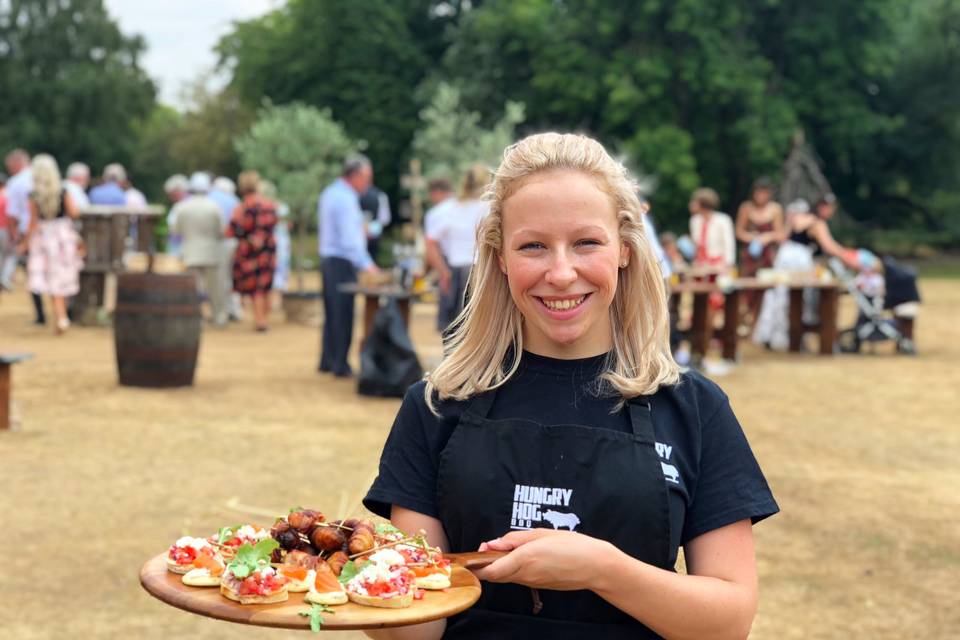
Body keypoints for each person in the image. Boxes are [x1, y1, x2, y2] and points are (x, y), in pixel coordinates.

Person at [363, 133, 779, 639]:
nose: (561, 273)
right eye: (533, 246)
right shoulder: (436, 406)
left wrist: (601, 570)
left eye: (587, 242)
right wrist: (360, 578)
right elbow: (419, 632)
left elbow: (728, 622)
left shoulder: (694, 408)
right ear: (499, 257)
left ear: (625, 249)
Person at [752, 196, 867, 350]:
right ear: (822, 208)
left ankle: (774, 336)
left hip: (784, 258)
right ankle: (794, 338)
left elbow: (782, 237)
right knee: (800, 299)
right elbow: (829, 247)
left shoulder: (797, 218)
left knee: (780, 295)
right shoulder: (817, 223)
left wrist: (764, 238)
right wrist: (850, 258)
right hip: (799, 262)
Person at [317, 154, 378, 376]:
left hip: (329, 259)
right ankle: (340, 364)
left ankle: (327, 359)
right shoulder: (345, 199)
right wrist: (368, 265)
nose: (368, 183)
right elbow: (350, 239)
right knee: (343, 314)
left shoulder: (330, 193)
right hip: (341, 261)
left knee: (332, 312)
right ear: (355, 175)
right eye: (366, 177)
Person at [424, 164, 490, 333]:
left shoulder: (448, 209)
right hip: (483, 271)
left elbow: (430, 242)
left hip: (456, 271)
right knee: (482, 329)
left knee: (453, 330)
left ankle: (452, 360)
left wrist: (443, 271)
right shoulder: (492, 208)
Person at [21, 154, 83, 334]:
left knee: (50, 277)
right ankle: (61, 316)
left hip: (43, 237)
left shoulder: (34, 195)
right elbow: (75, 213)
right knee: (62, 276)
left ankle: (61, 317)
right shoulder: (63, 191)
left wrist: (25, 242)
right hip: (64, 235)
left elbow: (32, 222)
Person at [171, 172, 226, 326]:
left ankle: (196, 317)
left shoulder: (182, 207)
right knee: (215, 289)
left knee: (194, 288)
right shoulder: (214, 206)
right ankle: (218, 317)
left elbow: (176, 231)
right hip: (212, 252)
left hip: (190, 252)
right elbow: (221, 231)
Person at [228, 170, 278, 332]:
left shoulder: (242, 207)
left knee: (255, 286)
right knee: (266, 285)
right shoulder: (269, 204)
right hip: (268, 249)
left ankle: (259, 321)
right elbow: (274, 224)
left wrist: (248, 238)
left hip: (250, 250)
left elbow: (233, 229)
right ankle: (264, 318)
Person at [735, 178, 783, 328]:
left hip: (767, 256)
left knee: (764, 291)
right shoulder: (746, 208)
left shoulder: (775, 209)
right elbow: (739, 231)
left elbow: (779, 234)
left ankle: (758, 325)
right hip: (750, 256)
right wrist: (753, 238)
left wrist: (766, 237)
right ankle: (743, 322)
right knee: (746, 290)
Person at [4, 148, 45, 324]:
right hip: (50, 231)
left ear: (16, 164)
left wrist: (14, 235)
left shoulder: (15, 182)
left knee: (33, 271)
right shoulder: (44, 179)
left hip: (27, 231)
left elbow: (12, 213)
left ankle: (40, 314)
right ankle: (62, 311)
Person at [209, 176, 243, 321]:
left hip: (217, 243)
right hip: (232, 242)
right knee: (230, 277)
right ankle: (233, 309)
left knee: (219, 279)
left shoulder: (210, 198)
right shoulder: (235, 200)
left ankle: (221, 311)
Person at [359, 183, 391, 265]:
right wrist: (371, 228)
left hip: (358, 235)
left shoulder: (353, 194)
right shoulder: (381, 195)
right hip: (373, 235)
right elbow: (385, 219)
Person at [163, 174, 189, 257]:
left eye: (172, 194)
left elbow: (174, 227)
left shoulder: (182, 205)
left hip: (180, 245)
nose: (170, 197)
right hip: (177, 244)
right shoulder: (180, 204)